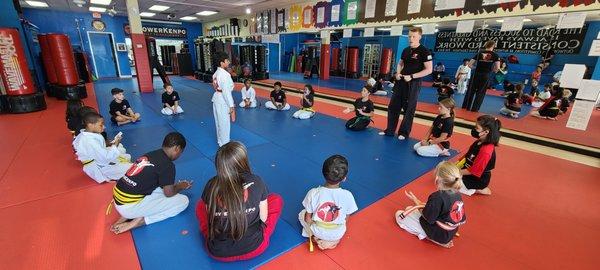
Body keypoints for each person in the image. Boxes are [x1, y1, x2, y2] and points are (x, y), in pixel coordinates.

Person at [196, 141, 283, 261]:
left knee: (201, 204)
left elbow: (211, 218)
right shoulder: (256, 181)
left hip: (218, 252)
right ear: (244, 161)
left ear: (219, 165)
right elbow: (263, 219)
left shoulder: (211, 185)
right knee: (276, 200)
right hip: (255, 247)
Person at [110, 132, 192, 234]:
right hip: (128, 206)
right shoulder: (168, 165)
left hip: (118, 197)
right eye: (181, 152)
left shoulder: (151, 154)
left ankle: (127, 216)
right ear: (177, 148)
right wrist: (181, 186)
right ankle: (139, 221)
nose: (179, 155)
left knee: (160, 187)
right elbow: (168, 193)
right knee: (183, 201)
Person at [395, 161, 466, 248]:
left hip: (439, 233)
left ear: (437, 179)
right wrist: (416, 201)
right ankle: (441, 237)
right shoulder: (457, 194)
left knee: (399, 215)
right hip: (450, 231)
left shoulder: (437, 197)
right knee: (409, 208)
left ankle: (430, 238)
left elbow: (428, 218)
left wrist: (417, 204)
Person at [379, 27, 433, 140]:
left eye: (413, 36)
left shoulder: (424, 51)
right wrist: (398, 73)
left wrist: (412, 76)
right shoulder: (406, 50)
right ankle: (390, 130)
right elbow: (400, 64)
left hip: (413, 84)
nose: (411, 39)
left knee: (409, 109)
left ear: (419, 37)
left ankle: (403, 133)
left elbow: (429, 70)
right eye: (409, 36)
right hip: (401, 81)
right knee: (393, 106)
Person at [299, 155, 358, 250]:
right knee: (339, 223)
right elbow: (346, 219)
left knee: (301, 214)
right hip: (338, 233)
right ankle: (331, 241)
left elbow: (307, 219)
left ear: (323, 173)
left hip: (318, 231)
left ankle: (316, 238)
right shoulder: (348, 195)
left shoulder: (313, 193)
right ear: (344, 178)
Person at [72, 112, 132, 183]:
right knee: (131, 168)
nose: (104, 127)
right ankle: (109, 175)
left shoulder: (85, 134)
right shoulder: (89, 140)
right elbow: (106, 158)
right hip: (100, 167)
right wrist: (115, 144)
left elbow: (100, 148)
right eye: (101, 125)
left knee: (121, 149)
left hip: (99, 158)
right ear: (90, 125)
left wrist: (111, 143)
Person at [457, 115, 501, 195]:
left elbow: (474, 171)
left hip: (477, 179)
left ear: (486, 132)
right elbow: (467, 156)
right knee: (443, 175)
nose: (474, 129)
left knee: (451, 184)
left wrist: (455, 172)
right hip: (466, 171)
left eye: (477, 128)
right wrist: (456, 166)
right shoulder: (478, 141)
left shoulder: (486, 151)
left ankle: (479, 189)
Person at [462, 40, 500, 112]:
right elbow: (497, 68)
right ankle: (475, 109)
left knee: (471, 91)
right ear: (493, 46)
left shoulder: (479, 53)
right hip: (486, 75)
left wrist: (475, 68)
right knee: (481, 92)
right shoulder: (495, 55)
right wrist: (493, 71)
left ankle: (466, 107)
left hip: (476, 74)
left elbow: (469, 64)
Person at [212, 51, 236, 147]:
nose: (229, 62)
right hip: (223, 100)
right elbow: (226, 92)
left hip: (217, 98)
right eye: (227, 60)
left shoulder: (216, 73)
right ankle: (225, 145)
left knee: (219, 122)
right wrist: (231, 106)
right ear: (222, 63)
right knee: (224, 123)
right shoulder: (225, 75)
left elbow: (216, 87)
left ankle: (221, 142)